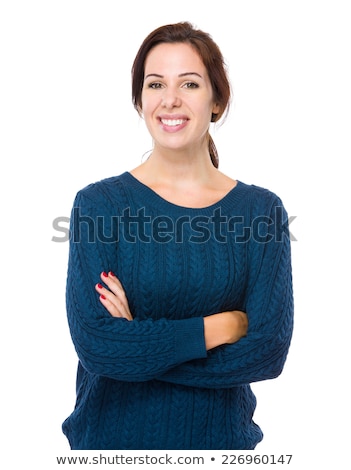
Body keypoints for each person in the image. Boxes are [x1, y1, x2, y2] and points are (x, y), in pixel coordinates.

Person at [62, 21, 294, 450]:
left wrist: (141, 349)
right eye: (155, 84)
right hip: (110, 449)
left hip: (222, 450)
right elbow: (97, 344)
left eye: (189, 83)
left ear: (217, 101)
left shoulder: (260, 213)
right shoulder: (99, 206)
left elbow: (267, 352)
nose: (170, 99)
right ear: (140, 100)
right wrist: (215, 328)